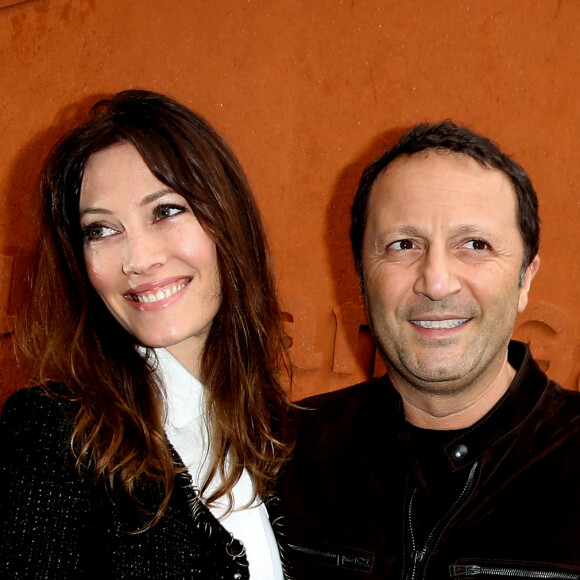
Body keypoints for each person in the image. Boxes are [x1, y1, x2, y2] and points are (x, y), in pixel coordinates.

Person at [0, 89, 293, 579]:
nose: (137, 260)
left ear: (227, 218)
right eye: (100, 230)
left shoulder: (271, 432)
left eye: (165, 211)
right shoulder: (53, 434)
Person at [278, 120, 580, 579]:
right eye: (403, 245)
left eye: (475, 245)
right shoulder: (279, 456)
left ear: (526, 278)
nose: (436, 282)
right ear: (361, 278)